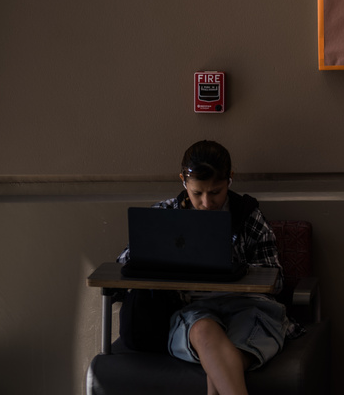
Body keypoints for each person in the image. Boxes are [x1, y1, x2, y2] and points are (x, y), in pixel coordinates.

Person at [117, 140, 291, 395]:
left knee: (220, 357)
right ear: (183, 182)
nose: (207, 203)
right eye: (198, 193)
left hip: (249, 309)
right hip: (194, 313)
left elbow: (277, 279)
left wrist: (234, 268)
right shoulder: (165, 216)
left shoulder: (247, 215)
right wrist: (160, 256)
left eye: (216, 192)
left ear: (230, 179)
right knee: (206, 333)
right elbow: (124, 263)